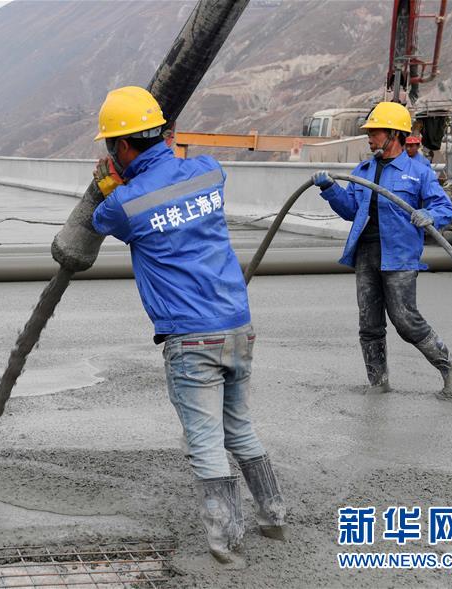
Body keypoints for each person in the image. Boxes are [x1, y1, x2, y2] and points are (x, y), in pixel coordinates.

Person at [90, 86, 285, 563]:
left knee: (205, 441)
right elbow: (186, 182)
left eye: (112, 146)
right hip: (237, 325)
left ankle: (226, 543)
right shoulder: (208, 172)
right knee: (239, 428)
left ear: (123, 146)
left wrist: (111, 186)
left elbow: (99, 221)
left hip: (190, 337)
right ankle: (274, 516)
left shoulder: (124, 205)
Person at [311, 102, 452, 400]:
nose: (369, 138)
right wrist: (330, 189)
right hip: (366, 253)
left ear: (394, 134)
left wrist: (430, 215)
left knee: (406, 321)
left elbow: (445, 208)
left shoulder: (418, 172)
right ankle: (378, 382)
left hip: (399, 255)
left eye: (375, 132)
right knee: (369, 324)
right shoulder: (363, 170)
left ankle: (451, 369)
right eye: (369, 133)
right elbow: (350, 210)